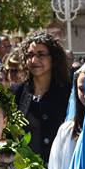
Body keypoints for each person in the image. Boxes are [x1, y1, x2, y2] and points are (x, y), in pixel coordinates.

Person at [13, 32, 72, 161]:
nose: (34, 60)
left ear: (54, 58)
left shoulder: (68, 92)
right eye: (30, 55)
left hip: (60, 167)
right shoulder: (17, 93)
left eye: (41, 55)